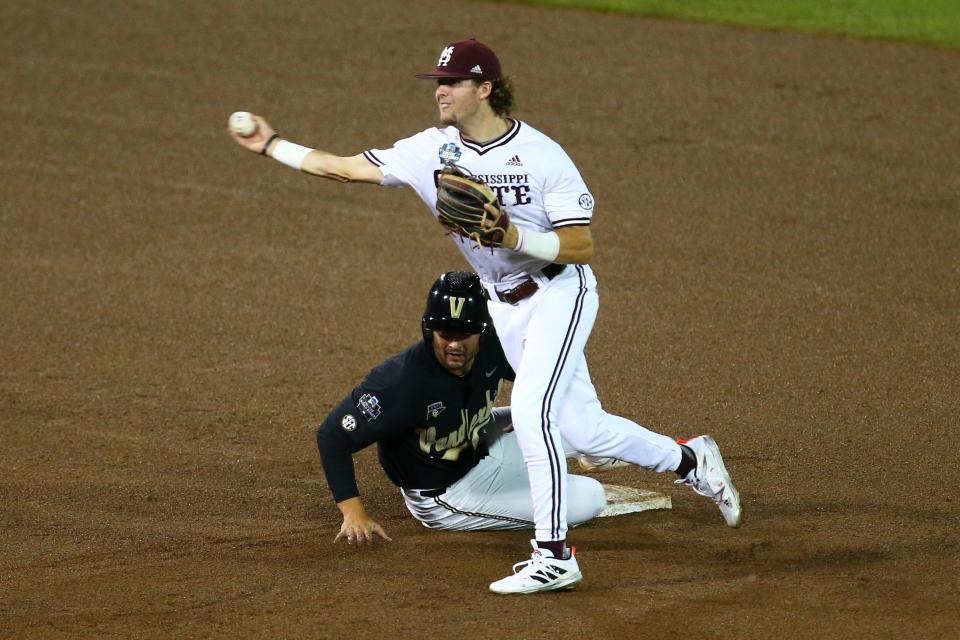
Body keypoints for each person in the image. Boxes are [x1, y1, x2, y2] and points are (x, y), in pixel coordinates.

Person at [229, 38, 742, 595]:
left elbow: (580, 246)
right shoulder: (431, 150)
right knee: (581, 429)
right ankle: (691, 460)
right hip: (502, 305)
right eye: (437, 82)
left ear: (485, 89)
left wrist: (511, 234)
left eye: (451, 82)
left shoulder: (544, 156)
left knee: (529, 408)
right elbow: (344, 169)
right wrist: (270, 145)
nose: (441, 91)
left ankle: (554, 554)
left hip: (558, 294)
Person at [315, 271, 607, 548]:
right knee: (590, 498)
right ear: (429, 329)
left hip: (481, 440)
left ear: (483, 330)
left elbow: (551, 373)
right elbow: (332, 435)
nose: (454, 344)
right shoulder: (399, 381)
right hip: (447, 492)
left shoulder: (496, 344)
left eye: (465, 333)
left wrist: (528, 410)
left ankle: (586, 457)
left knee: (592, 429)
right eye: (446, 332)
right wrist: (352, 511)